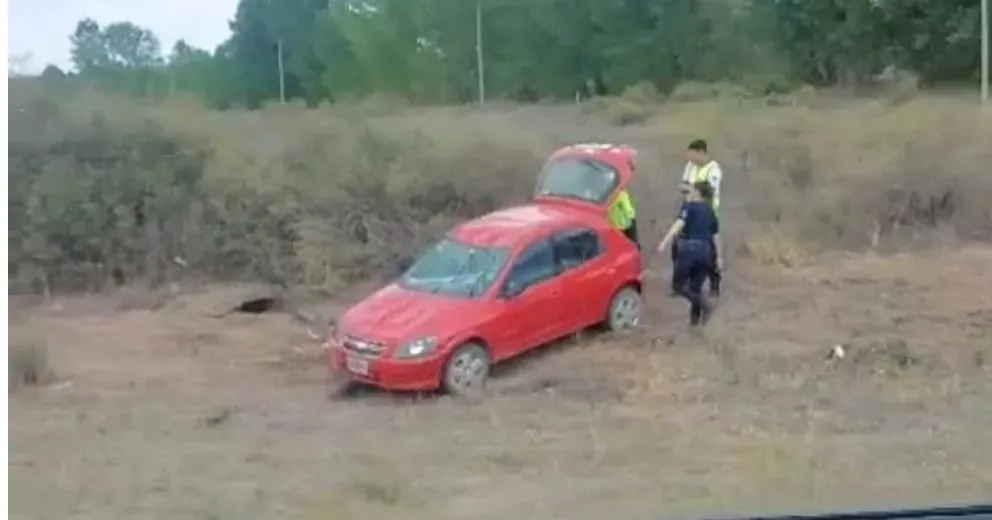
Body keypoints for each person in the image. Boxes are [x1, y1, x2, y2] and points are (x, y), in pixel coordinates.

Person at [657, 181, 723, 328]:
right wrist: (718, 257)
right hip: (706, 251)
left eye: (692, 190)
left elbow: (678, 225)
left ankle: (705, 307)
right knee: (696, 288)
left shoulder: (689, 207)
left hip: (689, 250)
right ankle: (694, 324)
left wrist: (664, 242)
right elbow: (716, 236)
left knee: (678, 286)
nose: (690, 192)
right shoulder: (711, 211)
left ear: (698, 192)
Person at [672, 139, 724, 296]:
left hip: (707, 212)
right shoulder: (690, 166)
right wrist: (693, 189)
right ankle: (681, 282)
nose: (690, 159)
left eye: (693, 155)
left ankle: (714, 283)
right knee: (678, 244)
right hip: (688, 208)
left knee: (709, 249)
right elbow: (682, 186)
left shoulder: (714, 169)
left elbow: (709, 191)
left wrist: (690, 188)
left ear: (701, 152)